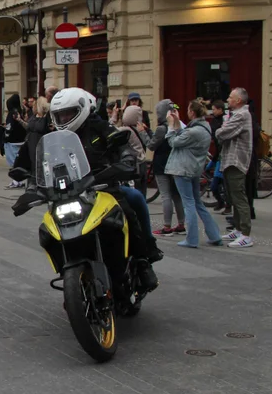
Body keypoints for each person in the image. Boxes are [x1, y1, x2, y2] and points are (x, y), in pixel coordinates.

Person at [48, 88, 161, 289]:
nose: (64, 118)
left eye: (68, 113)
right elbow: (45, 159)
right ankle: (68, 268)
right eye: (60, 114)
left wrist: (126, 158)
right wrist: (30, 176)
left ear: (81, 110)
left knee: (131, 202)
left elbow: (120, 144)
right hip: (71, 192)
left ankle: (144, 259)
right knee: (49, 224)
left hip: (103, 186)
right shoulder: (56, 137)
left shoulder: (99, 127)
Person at [165, 101, 223, 249]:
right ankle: (214, 235)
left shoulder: (194, 131)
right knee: (197, 202)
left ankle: (191, 239)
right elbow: (184, 137)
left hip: (183, 169)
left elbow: (174, 142)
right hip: (194, 169)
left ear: (192, 113)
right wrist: (178, 122)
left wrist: (171, 126)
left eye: (189, 109)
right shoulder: (204, 127)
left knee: (188, 203)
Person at [216, 87, 254, 248]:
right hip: (230, 160)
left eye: (231, 97)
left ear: (238, 100)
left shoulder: (241, 115)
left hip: (236, 161)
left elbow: (221, 133)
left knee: (239, 197)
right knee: (233, 196)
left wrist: (220, 131)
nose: (228, 100)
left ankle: (245, 234)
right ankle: (238, 229)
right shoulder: (236, 114)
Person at [147, 99, 186, 237]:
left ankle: (167, 227)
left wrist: (144, 132)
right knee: (176, 195)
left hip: (162, 165)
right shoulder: (177, 126)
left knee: (165, 195)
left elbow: (151, 145)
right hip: (175, 164)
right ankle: (181, 224)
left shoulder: (161, 128)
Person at [15, 97, 51, 175]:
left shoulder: (47, 117)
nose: (33, 107)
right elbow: (28, 127)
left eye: (35, 105)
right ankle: (33, 180)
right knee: (32, 162)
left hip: (41, 142)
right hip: (31, 142)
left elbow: (48, 129)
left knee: (40, 163)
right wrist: (20, 120)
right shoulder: (34, 116)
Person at [4, 94, 27, 188]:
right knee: (18, 160)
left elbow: (9, 127)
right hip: (21, 139)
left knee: (13, 162)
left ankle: (16, 181)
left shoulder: (11, 113)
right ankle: (17, 181)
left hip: (12, 140)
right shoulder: (20, 111)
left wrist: (6, 136)